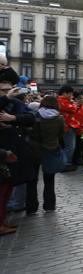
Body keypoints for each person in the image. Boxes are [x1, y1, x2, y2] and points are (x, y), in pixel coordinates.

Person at [0, 80, 35, 234]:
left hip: (14, 151)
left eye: (9, 89)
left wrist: (13, 118)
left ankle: (3, 220)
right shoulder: (5, 100)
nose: (7, 92)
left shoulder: (15, 103)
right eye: (3, 90)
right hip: (2, 152)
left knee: (8, 187)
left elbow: (30, 117)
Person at [31, 96, 66, 212]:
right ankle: (49, 206)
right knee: (49, 180)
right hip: (52, 149)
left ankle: (32, 207)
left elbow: (33, 134)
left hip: (36, 150)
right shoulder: (59, 118)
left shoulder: (37, 117)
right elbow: (61, 134)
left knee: (33, 180)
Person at [56, 85, 80, 170]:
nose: (71, 96)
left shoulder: (65, 100)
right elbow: (73, 109)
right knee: (70, 146)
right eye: (70, 94)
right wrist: (74, 103)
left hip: (68, 125)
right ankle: (65, 164)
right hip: (67, 125)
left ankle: (66, 162)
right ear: (64, 93)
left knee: (68, 146)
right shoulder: (61, 100)